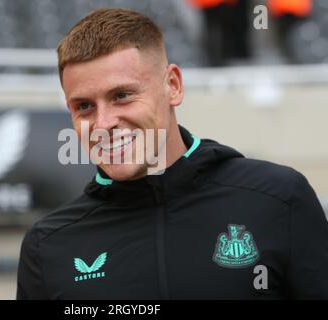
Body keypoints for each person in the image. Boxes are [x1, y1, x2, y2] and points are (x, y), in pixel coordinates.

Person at [17, 8, 328, 299]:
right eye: (84, 106)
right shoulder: (48, 245)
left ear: (173, 86)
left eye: (122, 96)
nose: (103, 123)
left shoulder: (278, 198)